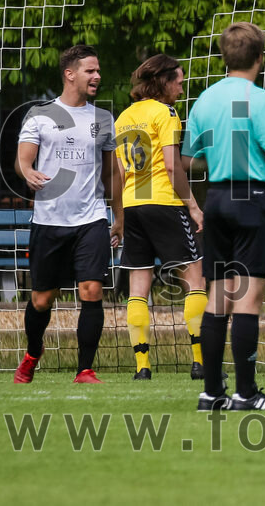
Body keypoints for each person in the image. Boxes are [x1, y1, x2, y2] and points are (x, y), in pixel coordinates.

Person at [182, 22, 265, 411]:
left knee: (217, 298)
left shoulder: (205, 99)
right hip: (252, 199)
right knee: (247, 300)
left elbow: (188, 160)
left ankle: (212, 393)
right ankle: (245, 392)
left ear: (225, 57)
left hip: (217, 199)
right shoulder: (260, 98)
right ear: (260, 58)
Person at [13, 44, 122, 384]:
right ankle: (33, 352)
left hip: (91, 220)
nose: (97, 76)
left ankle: (85, 369)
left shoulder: (103, 118)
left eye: (98, 70)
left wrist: (119, 216)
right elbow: (23, 160)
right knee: (42, 300)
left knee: (91, 290)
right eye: (90, 70)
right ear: (70, 74)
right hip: (49, 222)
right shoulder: (40, 115)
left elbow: (111, 174)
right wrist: (27, 172)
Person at [115, 54, 207, 381]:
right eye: (179, 83)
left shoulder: (124, 116)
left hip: (133, 204)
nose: (181, 89)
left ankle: (142, 368)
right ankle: (200, 362)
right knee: (195, 280)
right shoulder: (165, 113)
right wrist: (193, 206)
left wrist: (121, 217)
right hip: (163, 202)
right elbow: (172, 166)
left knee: (138, 288)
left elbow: (121, 173)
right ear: (165, 82)